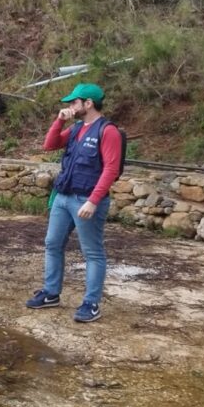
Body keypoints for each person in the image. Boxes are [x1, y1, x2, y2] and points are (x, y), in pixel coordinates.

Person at [27, 83, 122, 323]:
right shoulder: (77, 127)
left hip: (86, 200)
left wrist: (93, 201)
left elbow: (110, 169)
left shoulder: (108, 131)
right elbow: (49, 145)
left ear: (88, 104)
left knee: (92, 252)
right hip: (63, 196)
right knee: (52, 243)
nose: (70, 106)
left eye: (73, 102)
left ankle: (91, 303)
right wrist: (59, 121)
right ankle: (51, 293)